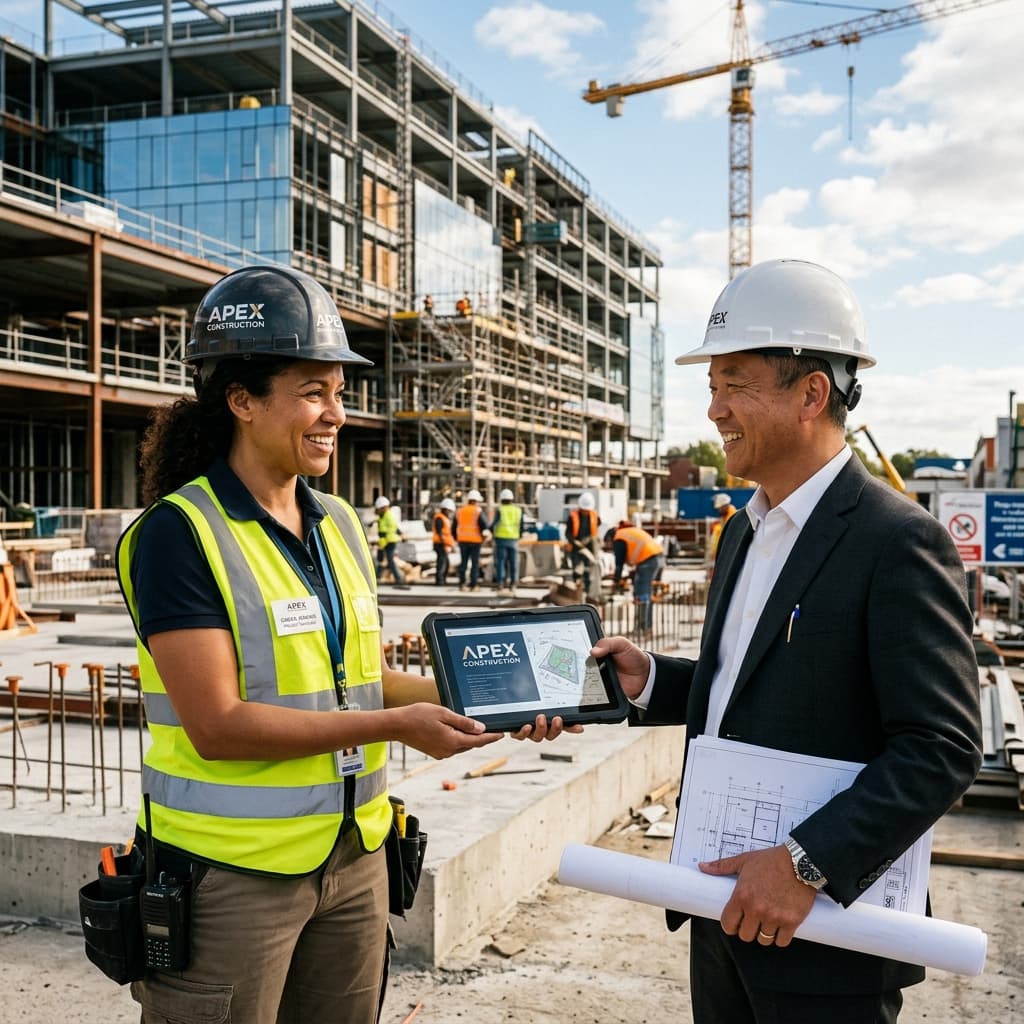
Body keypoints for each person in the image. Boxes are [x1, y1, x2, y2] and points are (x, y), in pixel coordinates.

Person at [114, 265, 572, 1024]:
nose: (336, 414)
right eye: (313, 393)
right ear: (242, 401)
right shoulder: (179, 535)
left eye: (339, 393)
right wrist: (397, 728)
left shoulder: (340, 524)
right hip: (230, 878)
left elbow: (359, 683)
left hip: (354, 856)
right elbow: (217, 725)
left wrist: (501, 698)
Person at [591, 258, 983, 1024]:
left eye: (734, 384)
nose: (715, 411)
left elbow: (941, 746)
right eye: (712, 387)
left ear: (812, 394)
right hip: (724, 911)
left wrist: (806, 863)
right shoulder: (746, 530)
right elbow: (750, 685)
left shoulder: (897, 542)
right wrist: (653, 683)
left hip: (829, 933)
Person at [605, 522, 664, 637]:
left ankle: (643, 629)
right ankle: (646, 627)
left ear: (610, 538)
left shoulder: (618, 538)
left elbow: (619, 564)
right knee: (647, 595)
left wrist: (616, 580)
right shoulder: (627, 533)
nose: (611, 547)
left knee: (641, 596)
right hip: (658, 557)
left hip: (648, 561)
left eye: (609, 544)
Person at [565, 492, 601, 601]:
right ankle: (577, 588)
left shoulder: (594, 515)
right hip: (577, 546)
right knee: (577, 568)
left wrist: (590, 539)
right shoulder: (573, 516)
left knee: (589, 568)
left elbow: (597, 526)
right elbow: (568, 533)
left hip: (589, 547)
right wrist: (575, 542)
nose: (586, 512)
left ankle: (588, 590)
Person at [455, 489, 488, 591]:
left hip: (462, 540)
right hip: (475, 541)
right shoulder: (478, 511)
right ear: (476, 500)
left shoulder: (460, 510)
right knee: (474, 564)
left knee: (463, 563)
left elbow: (453, 527)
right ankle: (473, 585)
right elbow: (484, 525)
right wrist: (483, 537)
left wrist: (457, 538)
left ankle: (462, 584)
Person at [491, 488, 523, 593]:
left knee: (500, 562)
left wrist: (489, 531)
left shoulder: (500, 510)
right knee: (513, 563)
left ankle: (501, 583)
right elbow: (521, 526)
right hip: (513, 539)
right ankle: (513, 584)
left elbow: (494, 523)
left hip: (501, 539)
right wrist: (520, 536)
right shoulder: (518, 510)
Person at [374, 494, 405, 585]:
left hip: (388, 541)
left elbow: (386, 531)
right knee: (382, 560)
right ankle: (377, 577)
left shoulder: (387, 516)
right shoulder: (385, 515)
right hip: (387, 541)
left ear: (382, 507)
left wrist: (381, 545)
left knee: (389, 561)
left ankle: (398, 579)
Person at [707, 491, 737, 574]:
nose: (719, 510)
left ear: (725, 506)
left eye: (720, 508)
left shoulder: (732, 517)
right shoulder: (726, 517)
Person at [431, 497, 455, 585]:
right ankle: (439, 581)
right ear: (445, 509)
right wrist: (445, 544)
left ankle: (442, 579)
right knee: (442, 563)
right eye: (449, 511)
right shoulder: (439, 518)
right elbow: (440, 533)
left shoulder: (444, 518)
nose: (450, 513)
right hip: (440, 544)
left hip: (444, 544)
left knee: (445, 563)